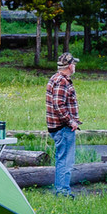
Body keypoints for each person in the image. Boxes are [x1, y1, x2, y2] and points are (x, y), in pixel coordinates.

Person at [46, 52, 81, 196]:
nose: (75, 66)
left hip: (57, 127)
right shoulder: (62, 81)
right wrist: (71, 121)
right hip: (63, 128)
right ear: (69, 65)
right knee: (66, 160)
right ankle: (63, 191)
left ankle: (61, 189)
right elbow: (58, 104)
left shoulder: (55, 78)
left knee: (62, 158)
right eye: (74, 63)